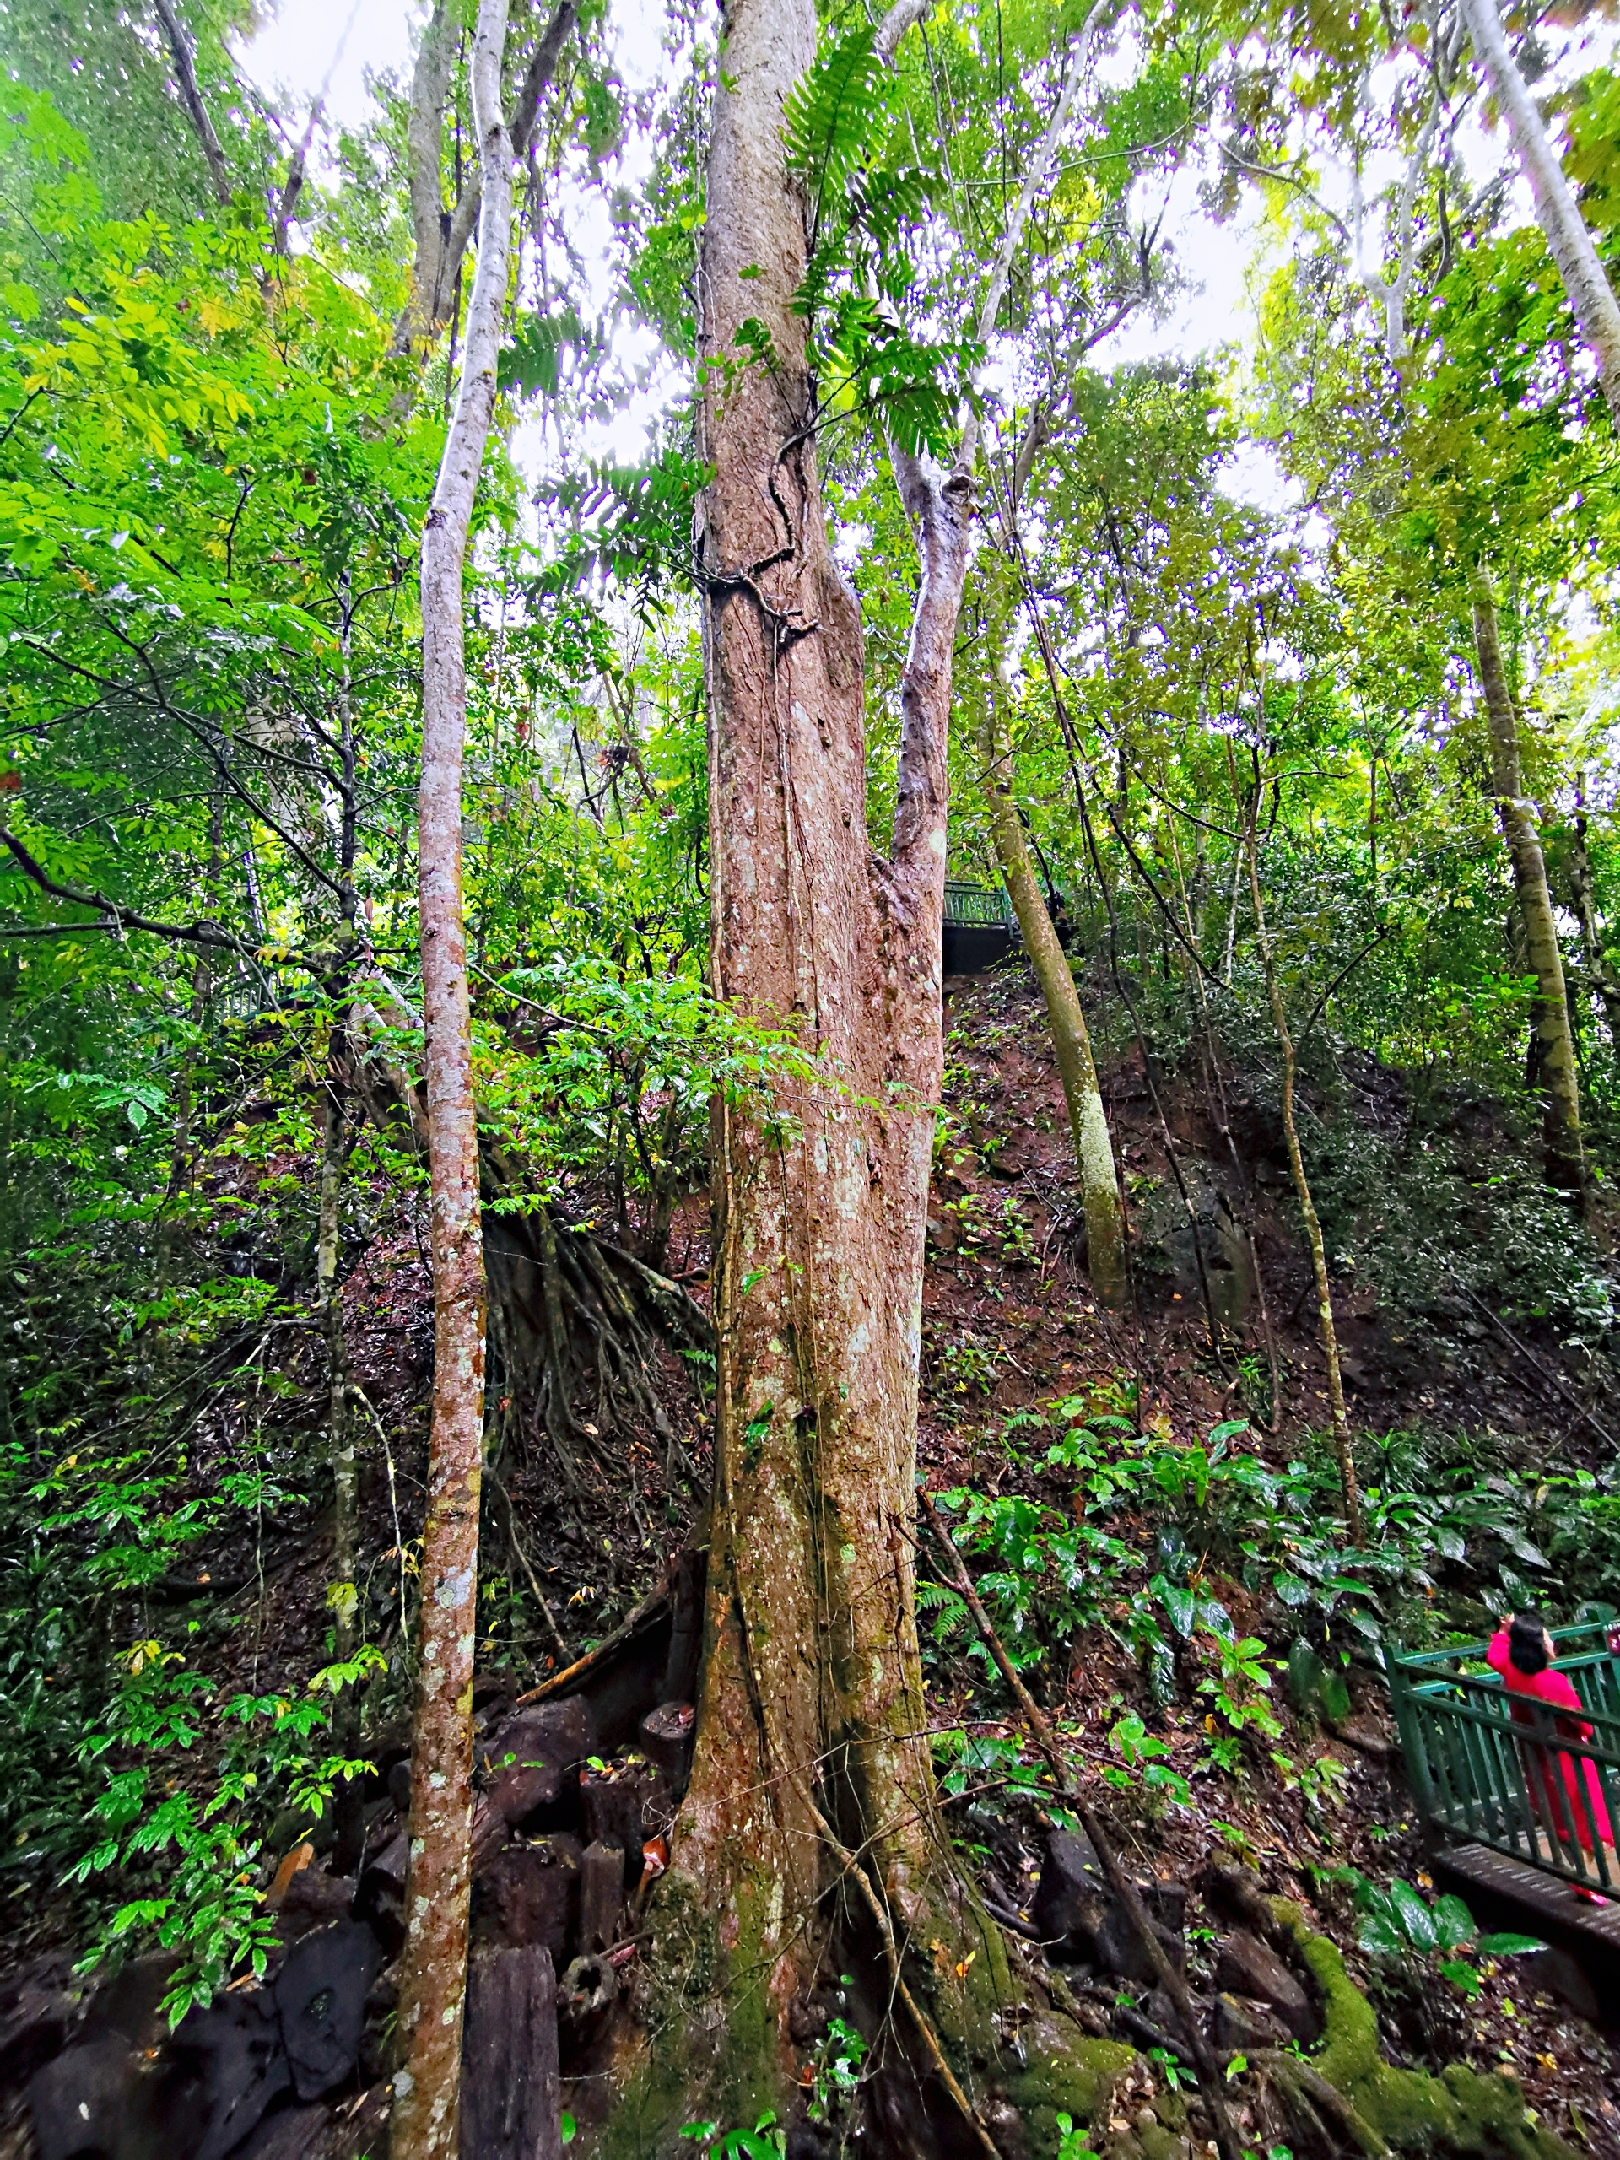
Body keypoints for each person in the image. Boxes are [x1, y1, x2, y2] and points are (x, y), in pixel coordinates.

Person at [1488, 1610, 1617, 1897]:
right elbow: (1583, 1723)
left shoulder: (1512, 1670)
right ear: (1537, 1647)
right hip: (1568, 1758)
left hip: (1536, 1757)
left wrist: (1503, 1632)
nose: (1551, 1641)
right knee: (1585, 1814)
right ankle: (1587, 1879)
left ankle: (1580, 1876)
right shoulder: (1553, 1682)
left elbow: (1494, 1656)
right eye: (1545, 1637)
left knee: (1559, 1816)